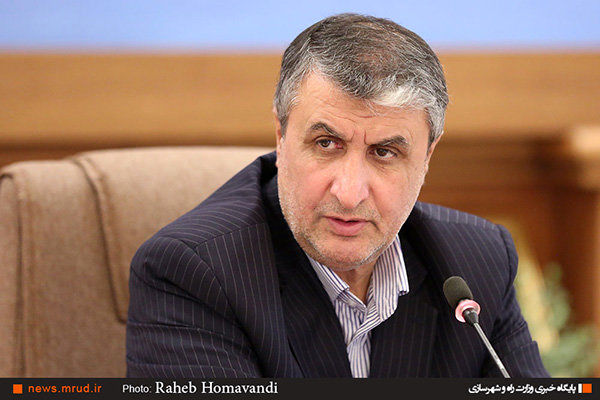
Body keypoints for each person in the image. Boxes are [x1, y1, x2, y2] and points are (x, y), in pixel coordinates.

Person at [126, 13, 549, 378]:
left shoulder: (477, 261)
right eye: (326, 144)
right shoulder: (194, 272)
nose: (349, 194)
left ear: (427, 157)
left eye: (385, 152)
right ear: (281, 135)